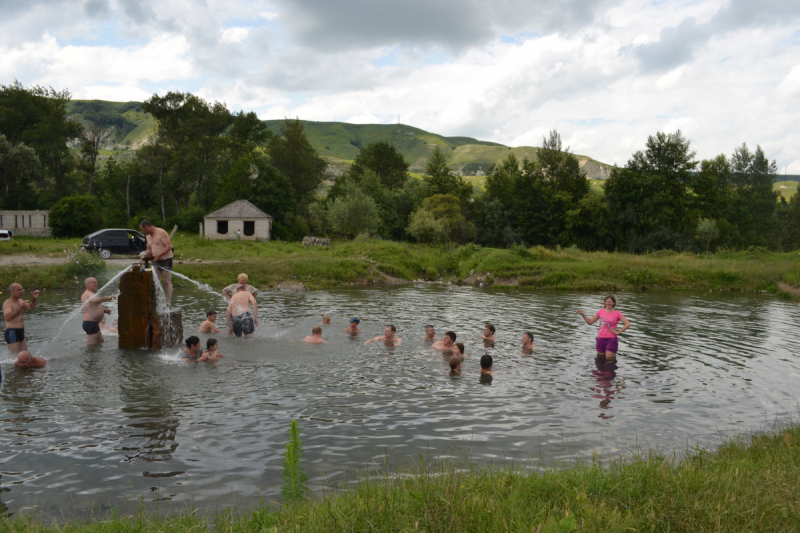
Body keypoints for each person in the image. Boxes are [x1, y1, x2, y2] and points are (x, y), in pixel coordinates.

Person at [577, 294, 631, 359]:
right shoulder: (600, 312)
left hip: (611, 340)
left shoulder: (617, 313)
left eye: (610, 301)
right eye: (606, 301)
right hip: (601, 339)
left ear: (613, 303)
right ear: (605, 302)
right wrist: (583, 314)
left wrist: (618, 332)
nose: (608, 303)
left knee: (609, 362)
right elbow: (590, 322)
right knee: (600, 361)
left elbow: (627, 324)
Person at [139, 220, 174, 306]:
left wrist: (159, 255)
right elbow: (149, 250)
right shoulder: (148, 237)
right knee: (155, 281)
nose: (142, 232)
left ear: (147, 227)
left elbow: (169, 247)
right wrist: (142, 257)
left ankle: (168, 302)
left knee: (167, 281)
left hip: (166, 259)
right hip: (156, 261)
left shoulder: (161, 232)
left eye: (142, 229)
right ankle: (157, 301)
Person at [3, 283, 39, 355]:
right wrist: (20, 308)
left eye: (21, 289)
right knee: (14, 358)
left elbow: (31, 308)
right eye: (18, 290)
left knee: (25, 356)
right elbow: (8, 318)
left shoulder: (20, 301)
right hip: (12, 332)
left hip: (21, 331)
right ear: (12, 291)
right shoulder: (7, 303)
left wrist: (34, 299)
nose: (21, 291)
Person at [81, 277, 115, 345]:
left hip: (94, 323)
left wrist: (103, 311)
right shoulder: (88, 293)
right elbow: (95, 300)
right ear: (88, 284)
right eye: (94, 282)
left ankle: (98, 355)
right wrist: (108, 298)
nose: (96, 283)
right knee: (92, 346)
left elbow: (91, 307)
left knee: (101, 341)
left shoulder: (90, 294)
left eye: (96, 282)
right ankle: (89, 355)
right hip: (90, 323)